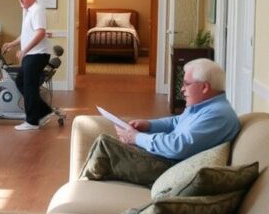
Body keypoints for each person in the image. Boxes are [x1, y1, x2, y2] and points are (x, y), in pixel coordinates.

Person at [81, 58, 241, 185]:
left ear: (205, 87)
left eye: (186, 84)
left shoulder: (218, 115)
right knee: (108, 150)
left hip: (169, 166)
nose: (182, 89)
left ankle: (79, 192)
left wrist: (136, 138)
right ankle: (86, 186)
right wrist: (149, 125)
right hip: (165, 158)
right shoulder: (204, 107)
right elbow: (177, 122)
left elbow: (178, 146)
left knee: (105, 144)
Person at [1, 0, 52, 131]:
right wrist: (12, 44)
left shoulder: (37, 10)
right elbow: (27, 34)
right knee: (21, 82)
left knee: (29, 87)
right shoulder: (28, 11)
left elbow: (40, 33)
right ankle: (42, 112)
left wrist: (24, 50)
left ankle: (32, 122)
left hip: (37, 54)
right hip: (32, 54)